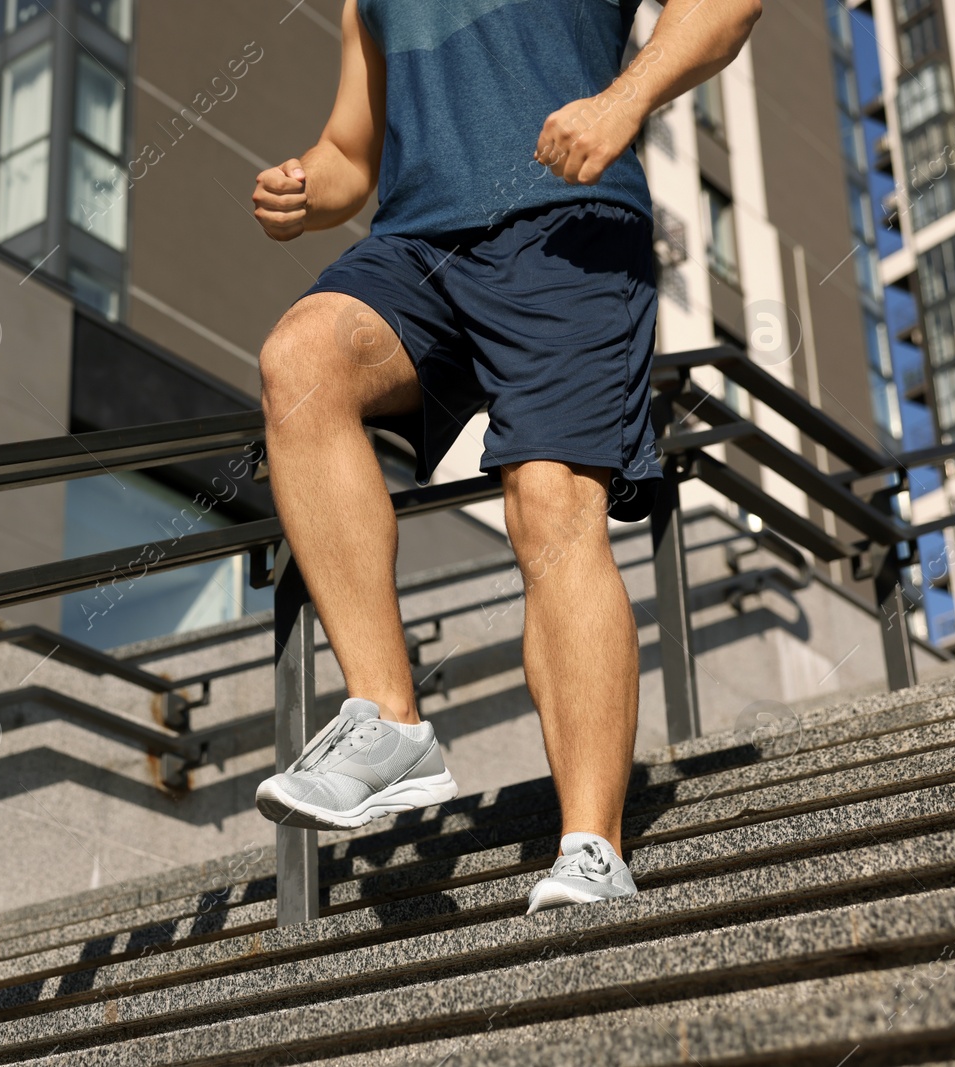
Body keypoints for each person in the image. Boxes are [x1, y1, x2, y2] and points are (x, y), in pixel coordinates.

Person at [250, 0, 761, 913]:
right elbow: (349, 156)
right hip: (418, 247)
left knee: (551, 506)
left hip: (570, 228)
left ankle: (592, 848)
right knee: (303, 358)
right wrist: (304, 188)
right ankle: (388, 719)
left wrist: (624, 98)